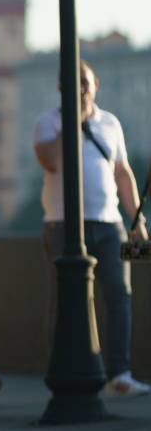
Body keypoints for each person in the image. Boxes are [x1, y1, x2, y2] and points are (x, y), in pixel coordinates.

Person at [33, 60, 149, 396]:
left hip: (110, 223)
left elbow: (122, 173)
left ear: (95, 84)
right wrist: (75, 120)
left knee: (119, 296)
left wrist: (135, 218)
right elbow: (51, 160)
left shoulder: (111, 123)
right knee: (64, 299)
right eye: (73, 83)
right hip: (62, 225)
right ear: (61, 89)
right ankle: (62, 373)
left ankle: (120, 374)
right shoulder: (48, 123)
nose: (81, 89)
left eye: (84, 83)